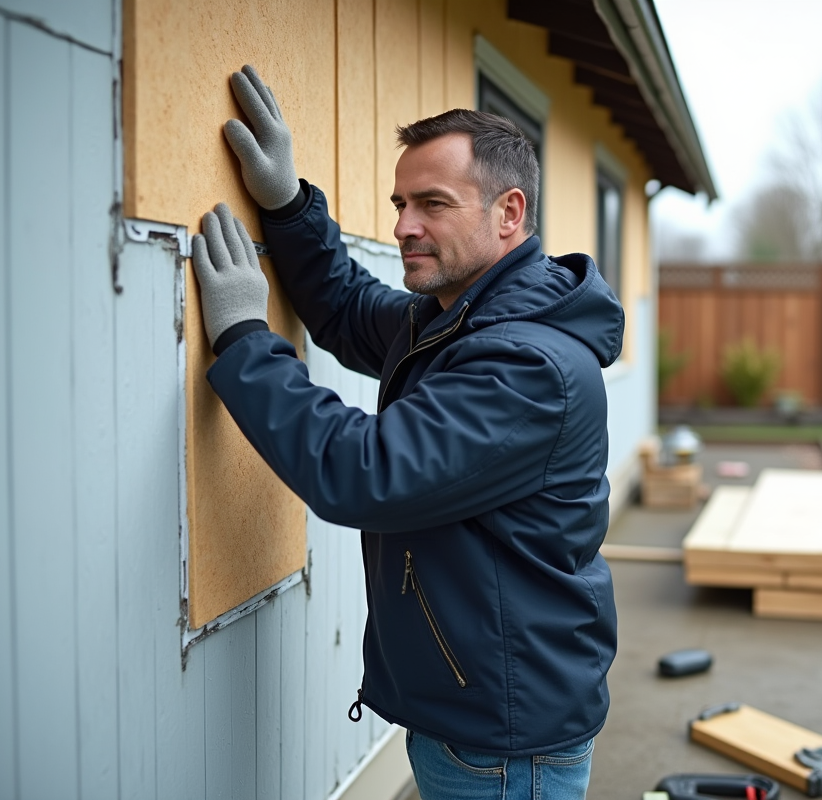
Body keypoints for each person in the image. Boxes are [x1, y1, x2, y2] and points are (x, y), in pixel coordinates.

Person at [190, 65, 623, 800]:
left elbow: (361, 472)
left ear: (508, 213)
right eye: (399, 203)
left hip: (502, 740)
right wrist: (289, 206)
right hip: (476, 708)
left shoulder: (524, 365)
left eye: (431, 204)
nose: (402, 227)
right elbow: (351, 309)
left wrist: (242, 338)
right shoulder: (460, 316)